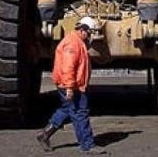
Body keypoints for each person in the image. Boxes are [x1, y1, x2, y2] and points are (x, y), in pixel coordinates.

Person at [36, 17, 107, 154]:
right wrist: (69, 87)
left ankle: (45, 134)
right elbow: (68, 67)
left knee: (67, 109)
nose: (90, 36)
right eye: (89, 33)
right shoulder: (72, 44)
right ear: (83, 30)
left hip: (71, 84)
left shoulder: (76, 41)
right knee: (81, 113)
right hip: (72, 85)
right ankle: (88, 145)